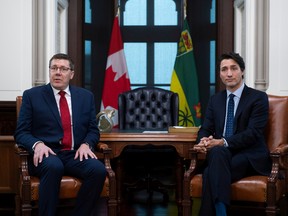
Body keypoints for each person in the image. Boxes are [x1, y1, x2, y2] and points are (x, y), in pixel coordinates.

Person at [14, 53, 106, 216]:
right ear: (49, 71)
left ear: (71, 74)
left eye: (63, 69)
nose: (58, 72)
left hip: (73, 154)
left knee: (98, 169)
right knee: (54, 165)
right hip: (46, 154)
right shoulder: (32, 96)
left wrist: (87, 144)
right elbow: (21, 132)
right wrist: (37, 145)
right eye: (54, 68)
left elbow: (93, 129)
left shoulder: (85, 97)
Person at [193, 52, 271, 216]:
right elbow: (206, 128)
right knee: (218, 154)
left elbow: (253, 134)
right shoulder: (216, 100)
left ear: (242, 71)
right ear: (220, 74)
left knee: (209, 172)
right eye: (224, 69)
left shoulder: (258, 98)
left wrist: (222, 142)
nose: (229, 73)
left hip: (249, 155)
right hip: (221, 155)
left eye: (233, 68)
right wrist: (203, 141)